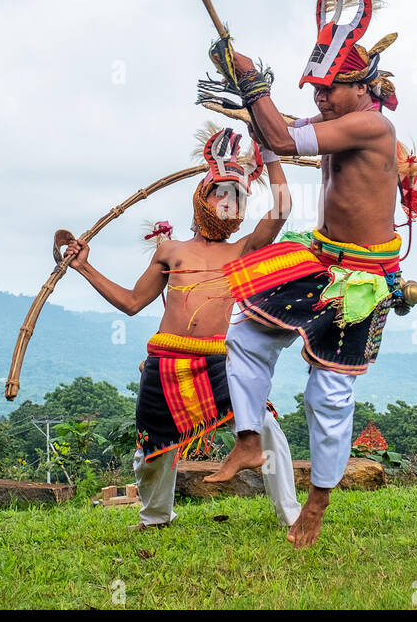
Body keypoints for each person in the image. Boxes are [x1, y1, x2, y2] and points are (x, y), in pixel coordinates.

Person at [202, 0, 412, 549]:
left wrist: (252, 83)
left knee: (329, 392)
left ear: (363, 88)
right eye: (316, 90)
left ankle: (316, 505)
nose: (319, 99)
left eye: (329, 91)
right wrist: (238, 77)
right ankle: (248, 437)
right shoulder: (336, 121)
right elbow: (279, 132)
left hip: (363, 278)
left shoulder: (372, 125)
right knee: (246, 334)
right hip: (321, 261)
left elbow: (286, 138)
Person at [63, 127, 300, 530]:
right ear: (202, 196)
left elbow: (281, 211)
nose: (229, 203)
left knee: (267, 430)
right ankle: (156, 517)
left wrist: (272, 154)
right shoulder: (169, 250)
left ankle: (290, 516)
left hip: (224, 361)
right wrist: (84, 265)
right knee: (154, 449)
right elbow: (132, 302)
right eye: (221, 193)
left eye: (237, 197)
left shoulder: (243, 250)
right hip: (168, 361)